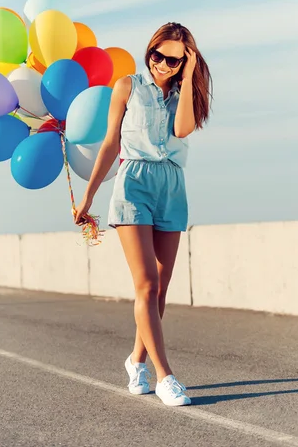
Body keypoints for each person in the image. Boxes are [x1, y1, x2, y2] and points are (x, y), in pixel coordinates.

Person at [74, 22, 212, 406]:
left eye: (173, 59)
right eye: (157, 55)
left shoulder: (189, 95)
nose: (161, 64)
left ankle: (136, 360)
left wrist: (187, 78)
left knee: (160, 287)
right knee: (147, 283)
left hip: (171, 185)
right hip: (133, 182)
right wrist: (88, 198)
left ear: (185, 61)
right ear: (148, 51)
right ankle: (165, 375)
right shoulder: (127, 87)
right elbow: (109, 143)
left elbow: (182, 129)